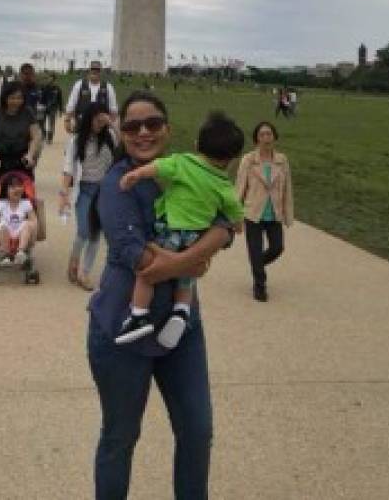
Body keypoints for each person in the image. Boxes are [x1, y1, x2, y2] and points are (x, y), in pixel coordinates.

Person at [88, 91, 234, 500]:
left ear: (168, 128)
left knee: (198, 431)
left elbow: (226, 224)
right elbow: (138, 257)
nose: (144, 132)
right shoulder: (118, 182)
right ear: (121, 130)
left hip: (181, 328)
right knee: (120, 436)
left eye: (153, 123)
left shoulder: (189, 169)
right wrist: (194, 260)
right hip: (122, 329)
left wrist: (209, 244)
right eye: (133, 125)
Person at [115, 111, 244, 348]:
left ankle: (138, 316)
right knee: (187, 278)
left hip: (171, 231)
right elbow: (234, 213)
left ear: (197, 145)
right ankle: (181, 312)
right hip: (196, 238)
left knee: (146, 276)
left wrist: (135, 174)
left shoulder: (184, 163)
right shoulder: (224, 185)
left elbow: (157, 167)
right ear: (233, 157)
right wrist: (238, 226)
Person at [235, 120, 294, 302]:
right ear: (256, 139)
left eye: (269, 134)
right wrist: (235, 215)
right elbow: (239, 188)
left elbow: (287, 189)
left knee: (277, 247)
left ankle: (256, 264)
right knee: (255, 248)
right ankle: (260, 286)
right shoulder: (248, 160)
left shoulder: (282, 160)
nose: (266, 138)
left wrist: (287, 213)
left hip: (274, 213)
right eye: (262, 134)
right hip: (254, 212)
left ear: (274, 137)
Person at [60, 102, 116, 291]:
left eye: (103, 117)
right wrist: (64, 194)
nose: (100, 122)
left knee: (95, 235)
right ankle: (74, 263)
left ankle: (84, 273)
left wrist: (112, 124)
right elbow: (68, 169)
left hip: (104, 192)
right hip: (84, 191)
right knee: (84, 230)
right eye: (97, 117)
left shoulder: (111, 138)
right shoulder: (77, 141)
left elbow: (126, 147)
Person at [0, 80, 41, 183]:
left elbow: (35, 136)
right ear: (5, 98)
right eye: (12, 98)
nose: (16, 101)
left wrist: (30, 155)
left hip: (21, 159)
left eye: (19, 98)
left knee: (26, 193)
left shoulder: (28, 113)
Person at [0, 174, 38, 267]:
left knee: (28, 224)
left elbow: (34, 221)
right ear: (6, 190)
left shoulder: (26, 203)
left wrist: (33, 238)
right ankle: (7, 255)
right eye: (13, 187)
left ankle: (20, 252)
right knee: (2, 226)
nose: (17, 189)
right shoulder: (0, 204)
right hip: (4, 231)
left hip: (20, 231)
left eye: (19, 186)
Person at [64, 60, 118, 134]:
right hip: (81, 126)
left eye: (97, 70)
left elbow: (113, 109)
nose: (94, 72)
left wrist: (111, 125)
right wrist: (67, 120)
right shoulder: (79, 85)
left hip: (101, 128)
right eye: (92, 69)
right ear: (89, 71)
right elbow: (71, 105)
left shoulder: (108, 87)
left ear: (101, 72)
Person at [18, 63, 47, 139]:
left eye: (31, 74)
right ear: (20, 75)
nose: (28, 76)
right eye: (26, 74)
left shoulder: (39, 89)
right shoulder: (15, 89)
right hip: (18, 123)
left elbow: (43, 105)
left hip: (34, 123)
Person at [42, 72, 64, 144]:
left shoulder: (57, 89)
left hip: (53, 108)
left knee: (51, 124)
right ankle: (44, 135)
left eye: (51, 78)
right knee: (42, 123)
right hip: (44, 107)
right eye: (48, 78)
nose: (49, 79)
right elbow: (41, 98)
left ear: (54, 79)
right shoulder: (44, 87)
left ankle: (50, 138)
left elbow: (60, 100)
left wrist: (61, 110)